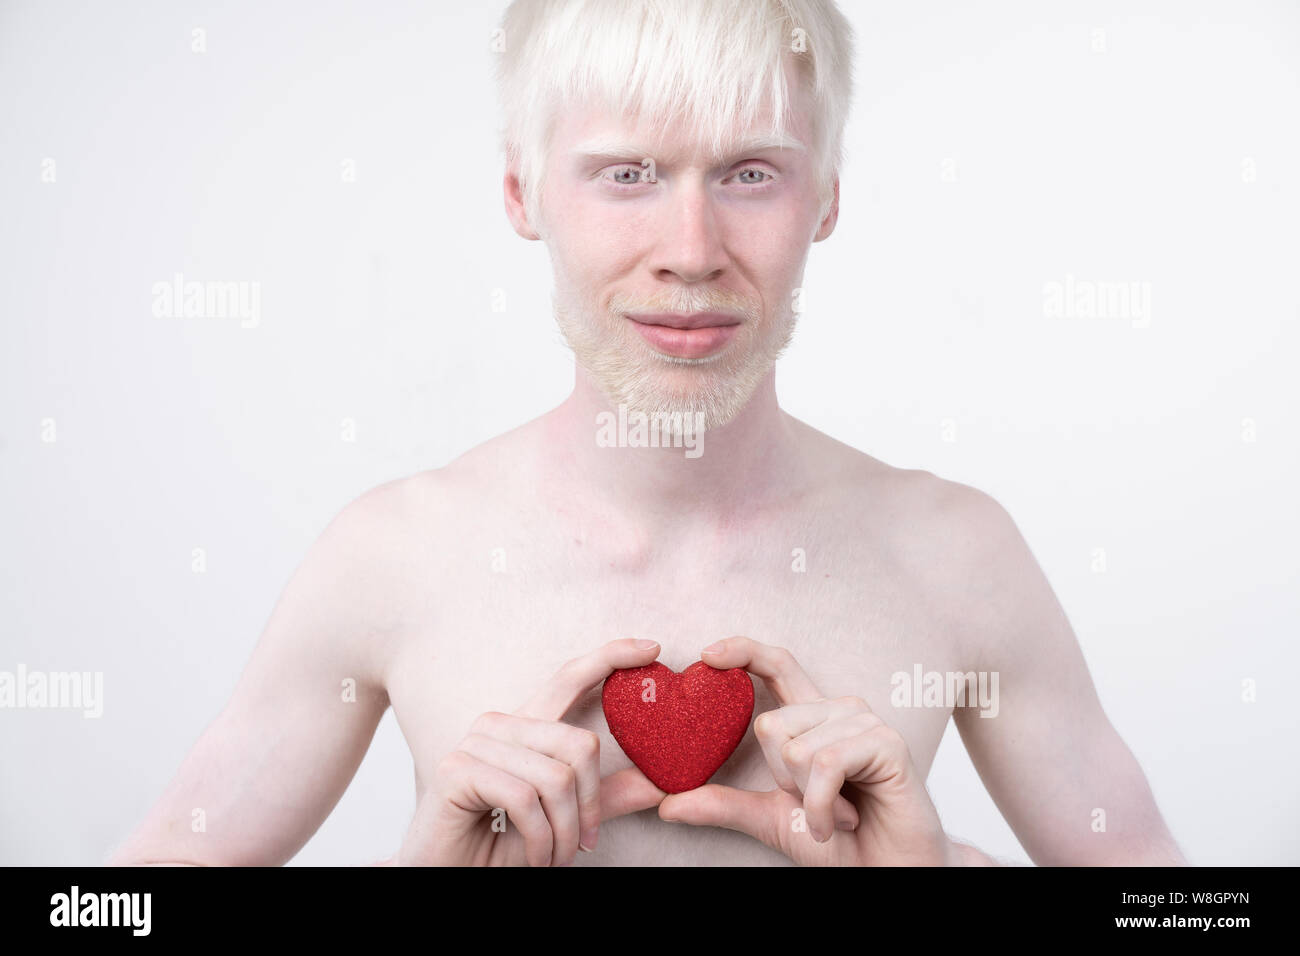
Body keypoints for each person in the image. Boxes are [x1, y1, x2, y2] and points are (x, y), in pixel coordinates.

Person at [107, 0, 1186, 867]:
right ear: (522, 191)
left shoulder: (959, 553)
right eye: (628, 174)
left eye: (748, 172)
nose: (691, 248)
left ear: (828, 199)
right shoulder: (387, 555)